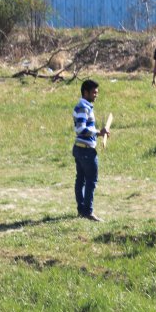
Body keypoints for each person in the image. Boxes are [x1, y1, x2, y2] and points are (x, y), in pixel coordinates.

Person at [72, 79, 109, 222]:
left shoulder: (84, 106)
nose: (96, 95)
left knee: (81, 180)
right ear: (85, 92)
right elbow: (80, 128)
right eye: (94, 92)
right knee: (90, 181)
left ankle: (82, 210)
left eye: (97, 92)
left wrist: (99, 133)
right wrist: (99, 133)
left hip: (80, 149)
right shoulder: (84, 107)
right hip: (86, 151)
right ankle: (88, 212)